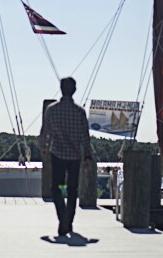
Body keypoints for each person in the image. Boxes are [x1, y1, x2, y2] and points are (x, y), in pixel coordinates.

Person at [39, 77, 94, 237]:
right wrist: (87, 157)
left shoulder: (52, 109)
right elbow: (85, 137)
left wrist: (44, 147)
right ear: (74, 90)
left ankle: (63, 218)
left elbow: (45, 131)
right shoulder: (79, 112)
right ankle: (68, 221)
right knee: (72, 190)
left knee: (56, 188)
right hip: (75, 156)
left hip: (57, 154)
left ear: (61, 89)